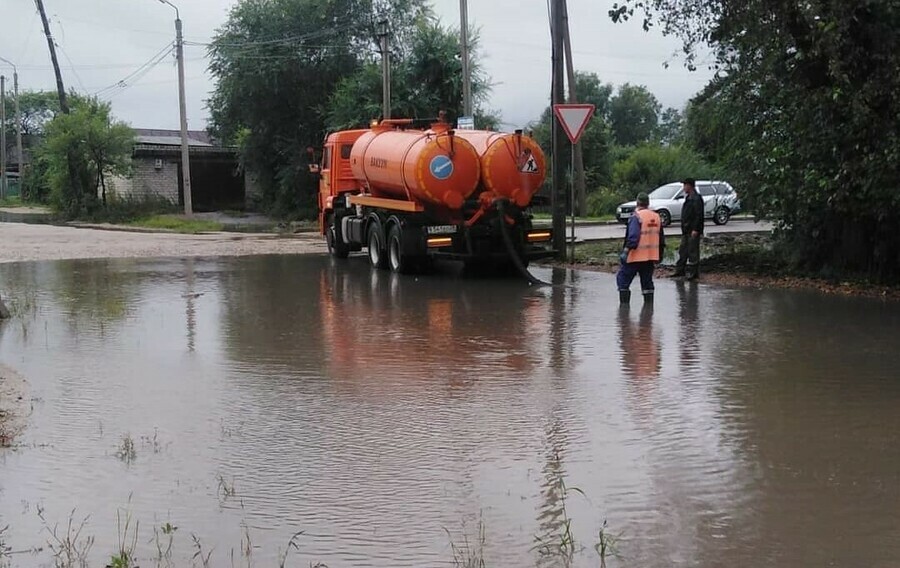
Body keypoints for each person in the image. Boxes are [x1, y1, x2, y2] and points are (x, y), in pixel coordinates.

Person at [616, 192, 665, 303]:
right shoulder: (656, 217)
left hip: (634, 256)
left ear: (637, 202)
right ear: (648, 203)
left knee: (623, 281)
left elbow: (633, 237)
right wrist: (660, 255)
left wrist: (626, 251)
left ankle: (624, 312)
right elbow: (661, 239)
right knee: (647, 284)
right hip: (650, 257)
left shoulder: (636, 216)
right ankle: (648, 312)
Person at [672, 177, 704, 280]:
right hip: (686, 230)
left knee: (693, 251)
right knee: (683, 250)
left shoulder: (696, 198)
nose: (684, 187)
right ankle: (680, 270)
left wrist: (696, 229)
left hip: (692, 229)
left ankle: (693, 273)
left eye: (685, 185)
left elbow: (699, 215)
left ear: (690, 186)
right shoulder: (688, 197)